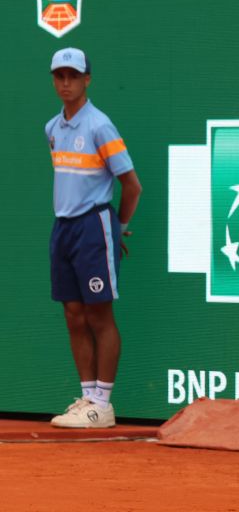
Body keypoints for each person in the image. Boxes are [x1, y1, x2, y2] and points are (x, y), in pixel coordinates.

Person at [46, 47, 142, 429]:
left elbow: (131, 185)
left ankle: (103, 403)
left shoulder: (100, 125)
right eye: (59, 76)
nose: (66, 83)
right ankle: (87, 398)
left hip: (93, 224)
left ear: (87, 79)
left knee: (99, 314)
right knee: (73, 314)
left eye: (73, 76)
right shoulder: (52, 128)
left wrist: (116, 226)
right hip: (63, 228)